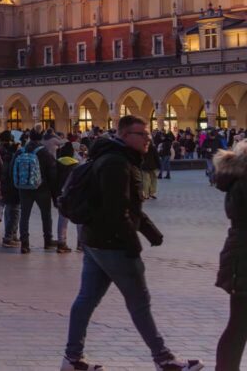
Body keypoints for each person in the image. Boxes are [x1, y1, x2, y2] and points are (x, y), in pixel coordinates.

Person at [61, 115, 203, 371]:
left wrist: (151, 232)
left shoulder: (113, 158)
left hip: (94, 240)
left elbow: (129, 205)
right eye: (142, 134)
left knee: (86, 299)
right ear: (125, 135)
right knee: (139, 302)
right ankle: (163, 358)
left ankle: (72, 358)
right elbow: (118, 210)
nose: (148, 139)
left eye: (147, 134)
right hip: (113, 244)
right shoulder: (117, 163)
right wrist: (132, 244)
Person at [214, 137, 247, 370]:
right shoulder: (243, 184)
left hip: (239, 254)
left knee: (239, 324)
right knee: (239, 324)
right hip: (243, 256)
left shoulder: (239, 181)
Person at [17, 131, 58, 254]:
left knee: (24, 216)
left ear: (29, 138)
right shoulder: (45, 152)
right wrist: (54, 193)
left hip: (24, 188)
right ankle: (48, 241)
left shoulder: (21, 151)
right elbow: (53, 174)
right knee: (46, 215)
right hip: (42, 188)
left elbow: (12, 170)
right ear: (41, 139)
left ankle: (24, 243)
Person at [54, 142, 80, 254]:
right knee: (79, 219)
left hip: (61, 195)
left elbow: (54, 181)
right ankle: (81, 244)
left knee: (62, 219)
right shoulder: (77, 165)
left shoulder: (56, 164)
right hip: (74, 196)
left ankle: (61, 243)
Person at [0, 131, 21, 248]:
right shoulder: (11, 155)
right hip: (12, 186)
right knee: (14, 211)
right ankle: (8, 237)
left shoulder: (0, 151)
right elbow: (10, 172)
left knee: (10, 209)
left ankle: (12, 234)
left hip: (4, 185)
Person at [142, 136, 160, 200]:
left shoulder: (142, 147)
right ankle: (152, 193)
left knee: (146, 180)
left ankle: (146, 194)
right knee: (153, 180)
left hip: (144, 167)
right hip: (153, 166)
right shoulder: (153, 148)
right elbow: (157, 157)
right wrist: (159, 166)